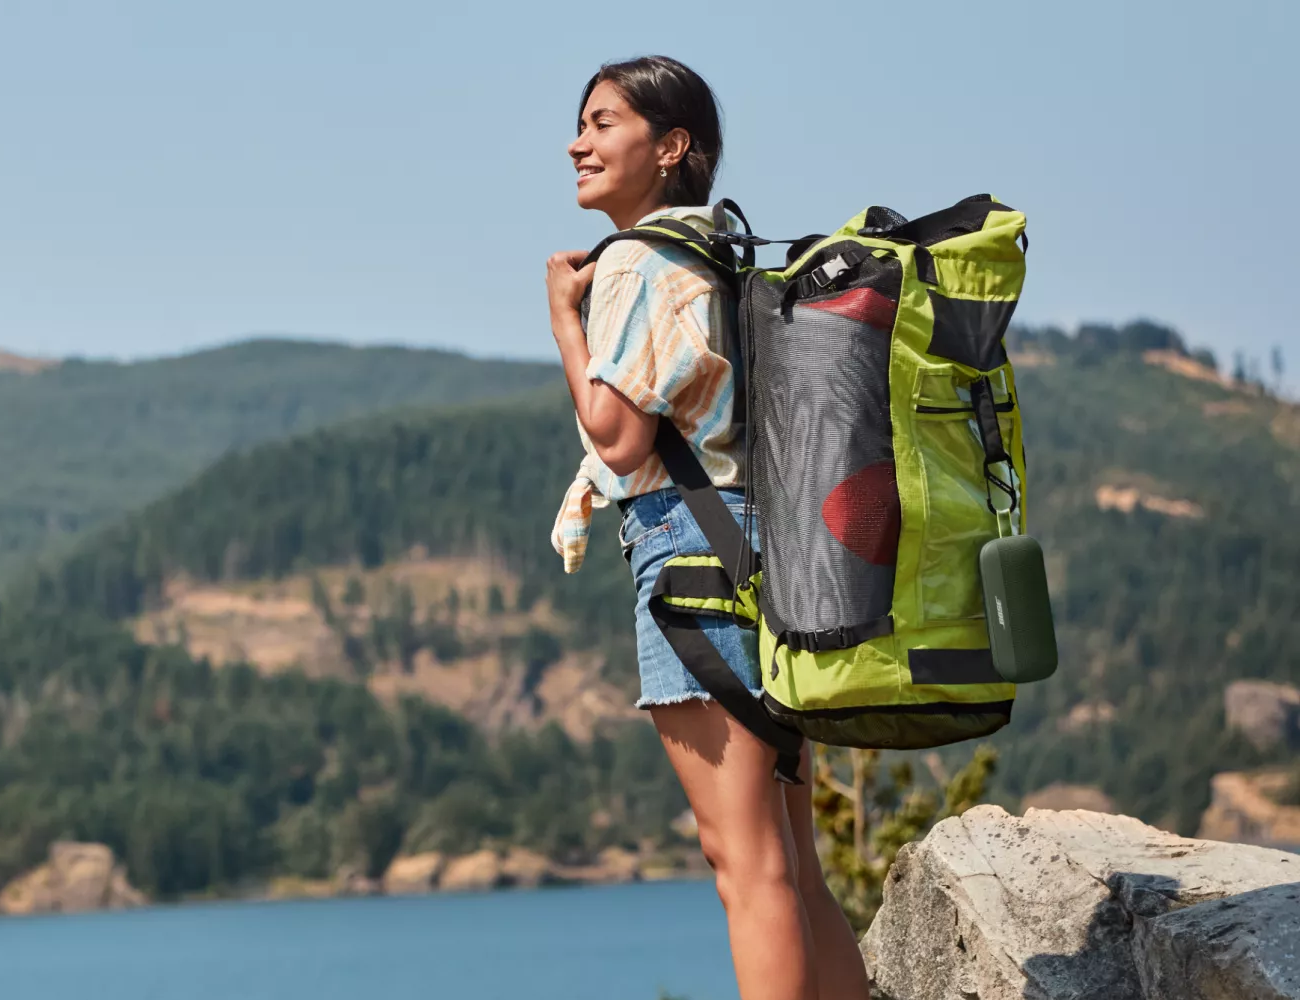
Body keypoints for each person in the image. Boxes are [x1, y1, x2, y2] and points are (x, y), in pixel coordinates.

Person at [544, 55, 870, 1000]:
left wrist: (565, 323)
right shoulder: (718, 253)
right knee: (792, 867)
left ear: (671, 145)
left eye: (604, 123)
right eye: (582, 123)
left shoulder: (643, 259)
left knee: (745, 865)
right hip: (762, 556)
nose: (579, 142)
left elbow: (616, 434)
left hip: (691, 556)